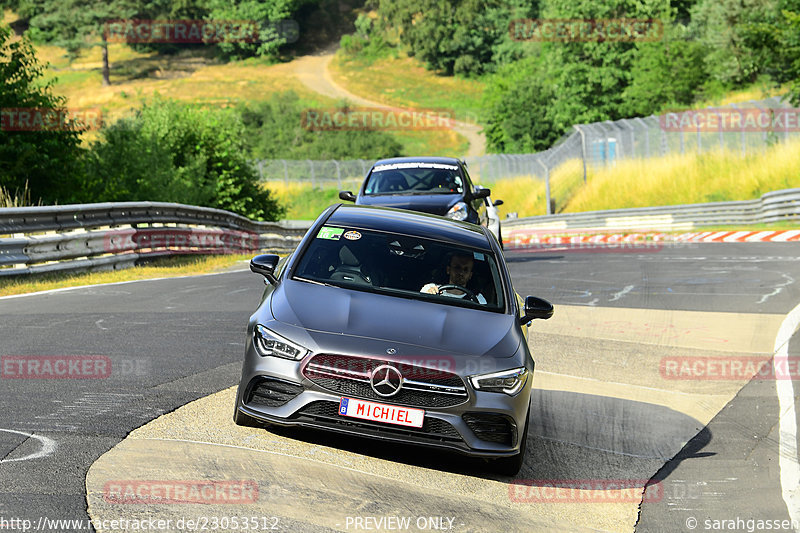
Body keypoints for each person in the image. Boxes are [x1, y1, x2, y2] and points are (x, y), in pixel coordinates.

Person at [421, 252, 487, 304]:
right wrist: (428, 296)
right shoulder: (431, 289)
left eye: (466, 269)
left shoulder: (478, 299)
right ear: (448, 270)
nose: (461, 273)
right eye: (457, 268)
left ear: (470, 275)